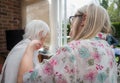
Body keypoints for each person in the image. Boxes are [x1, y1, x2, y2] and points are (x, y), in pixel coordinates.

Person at [18, 3, 117, 83]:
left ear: (84, 19)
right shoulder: (108, 49)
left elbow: (24, 79)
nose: (71, 25)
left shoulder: (72, 50)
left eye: (73, 19)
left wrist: (30, 48)